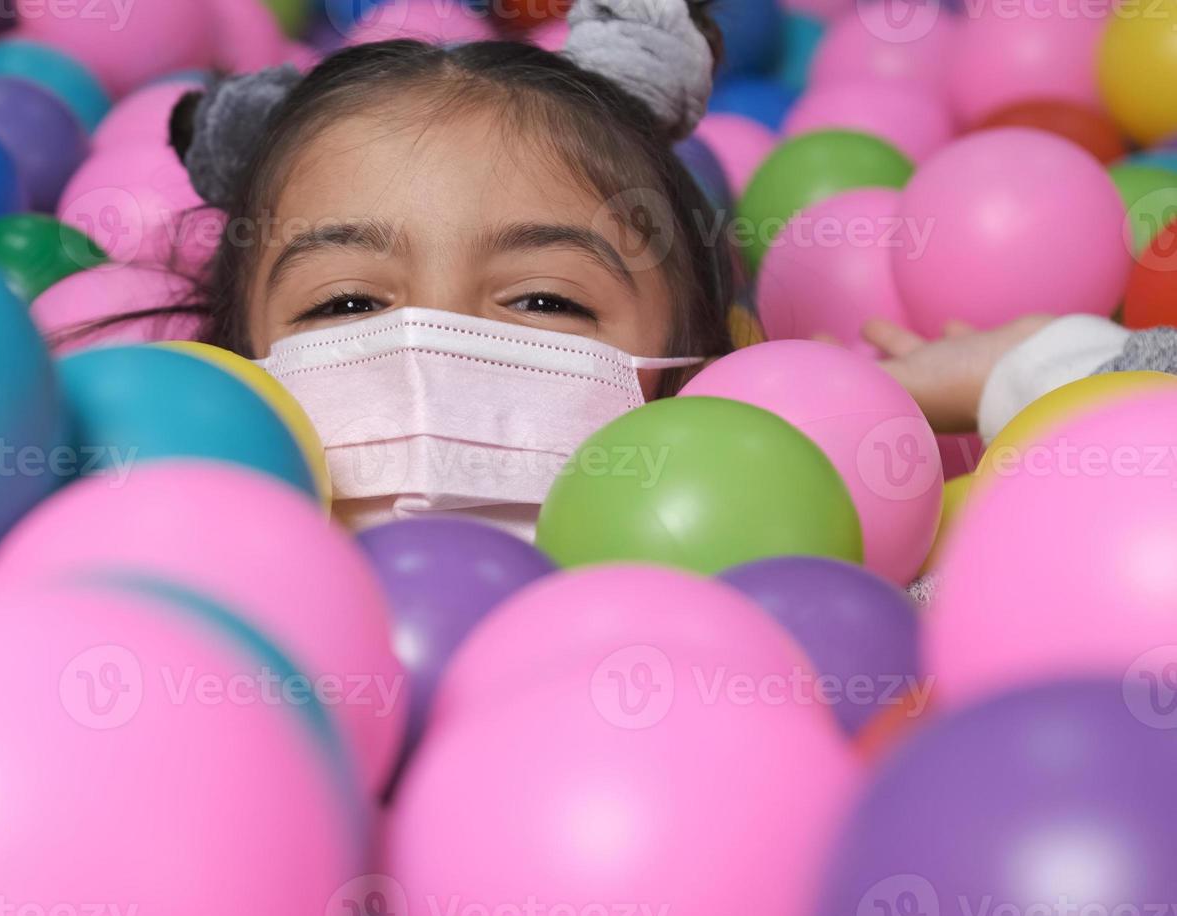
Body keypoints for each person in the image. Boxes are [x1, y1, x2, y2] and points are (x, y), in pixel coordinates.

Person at [147, 0, 1175, 532]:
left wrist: (1023, 367)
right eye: (348, 301)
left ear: (692, 377)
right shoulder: (177, 603)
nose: (435, 349)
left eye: (546, 297)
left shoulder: (794, 571)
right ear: (234, 368)